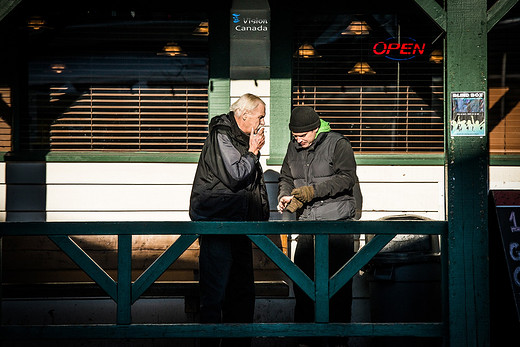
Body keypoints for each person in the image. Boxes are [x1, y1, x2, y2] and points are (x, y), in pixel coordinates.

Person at [189, 93, 270, 347]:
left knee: (242, 294)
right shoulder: (221, 135)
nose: (262, 123)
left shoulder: (240, 138)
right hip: (218, 225)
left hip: (238, 225)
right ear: (244, 115)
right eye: (260, 117)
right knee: (215, 296)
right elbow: (236, 175)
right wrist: (254, 152)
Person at [277, 106, 359, 347]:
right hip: (306, 225)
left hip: (337, 226)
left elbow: (346, 178)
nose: (298, 140)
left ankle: (337, 342)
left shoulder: (338, 144)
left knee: (338, 289)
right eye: (294, 136)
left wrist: (311, 192)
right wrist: (285, 195)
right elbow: (286, 177)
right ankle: (305, 341)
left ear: (316, 129)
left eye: (302, 135)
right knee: (303, 286)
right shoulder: (293, 147)